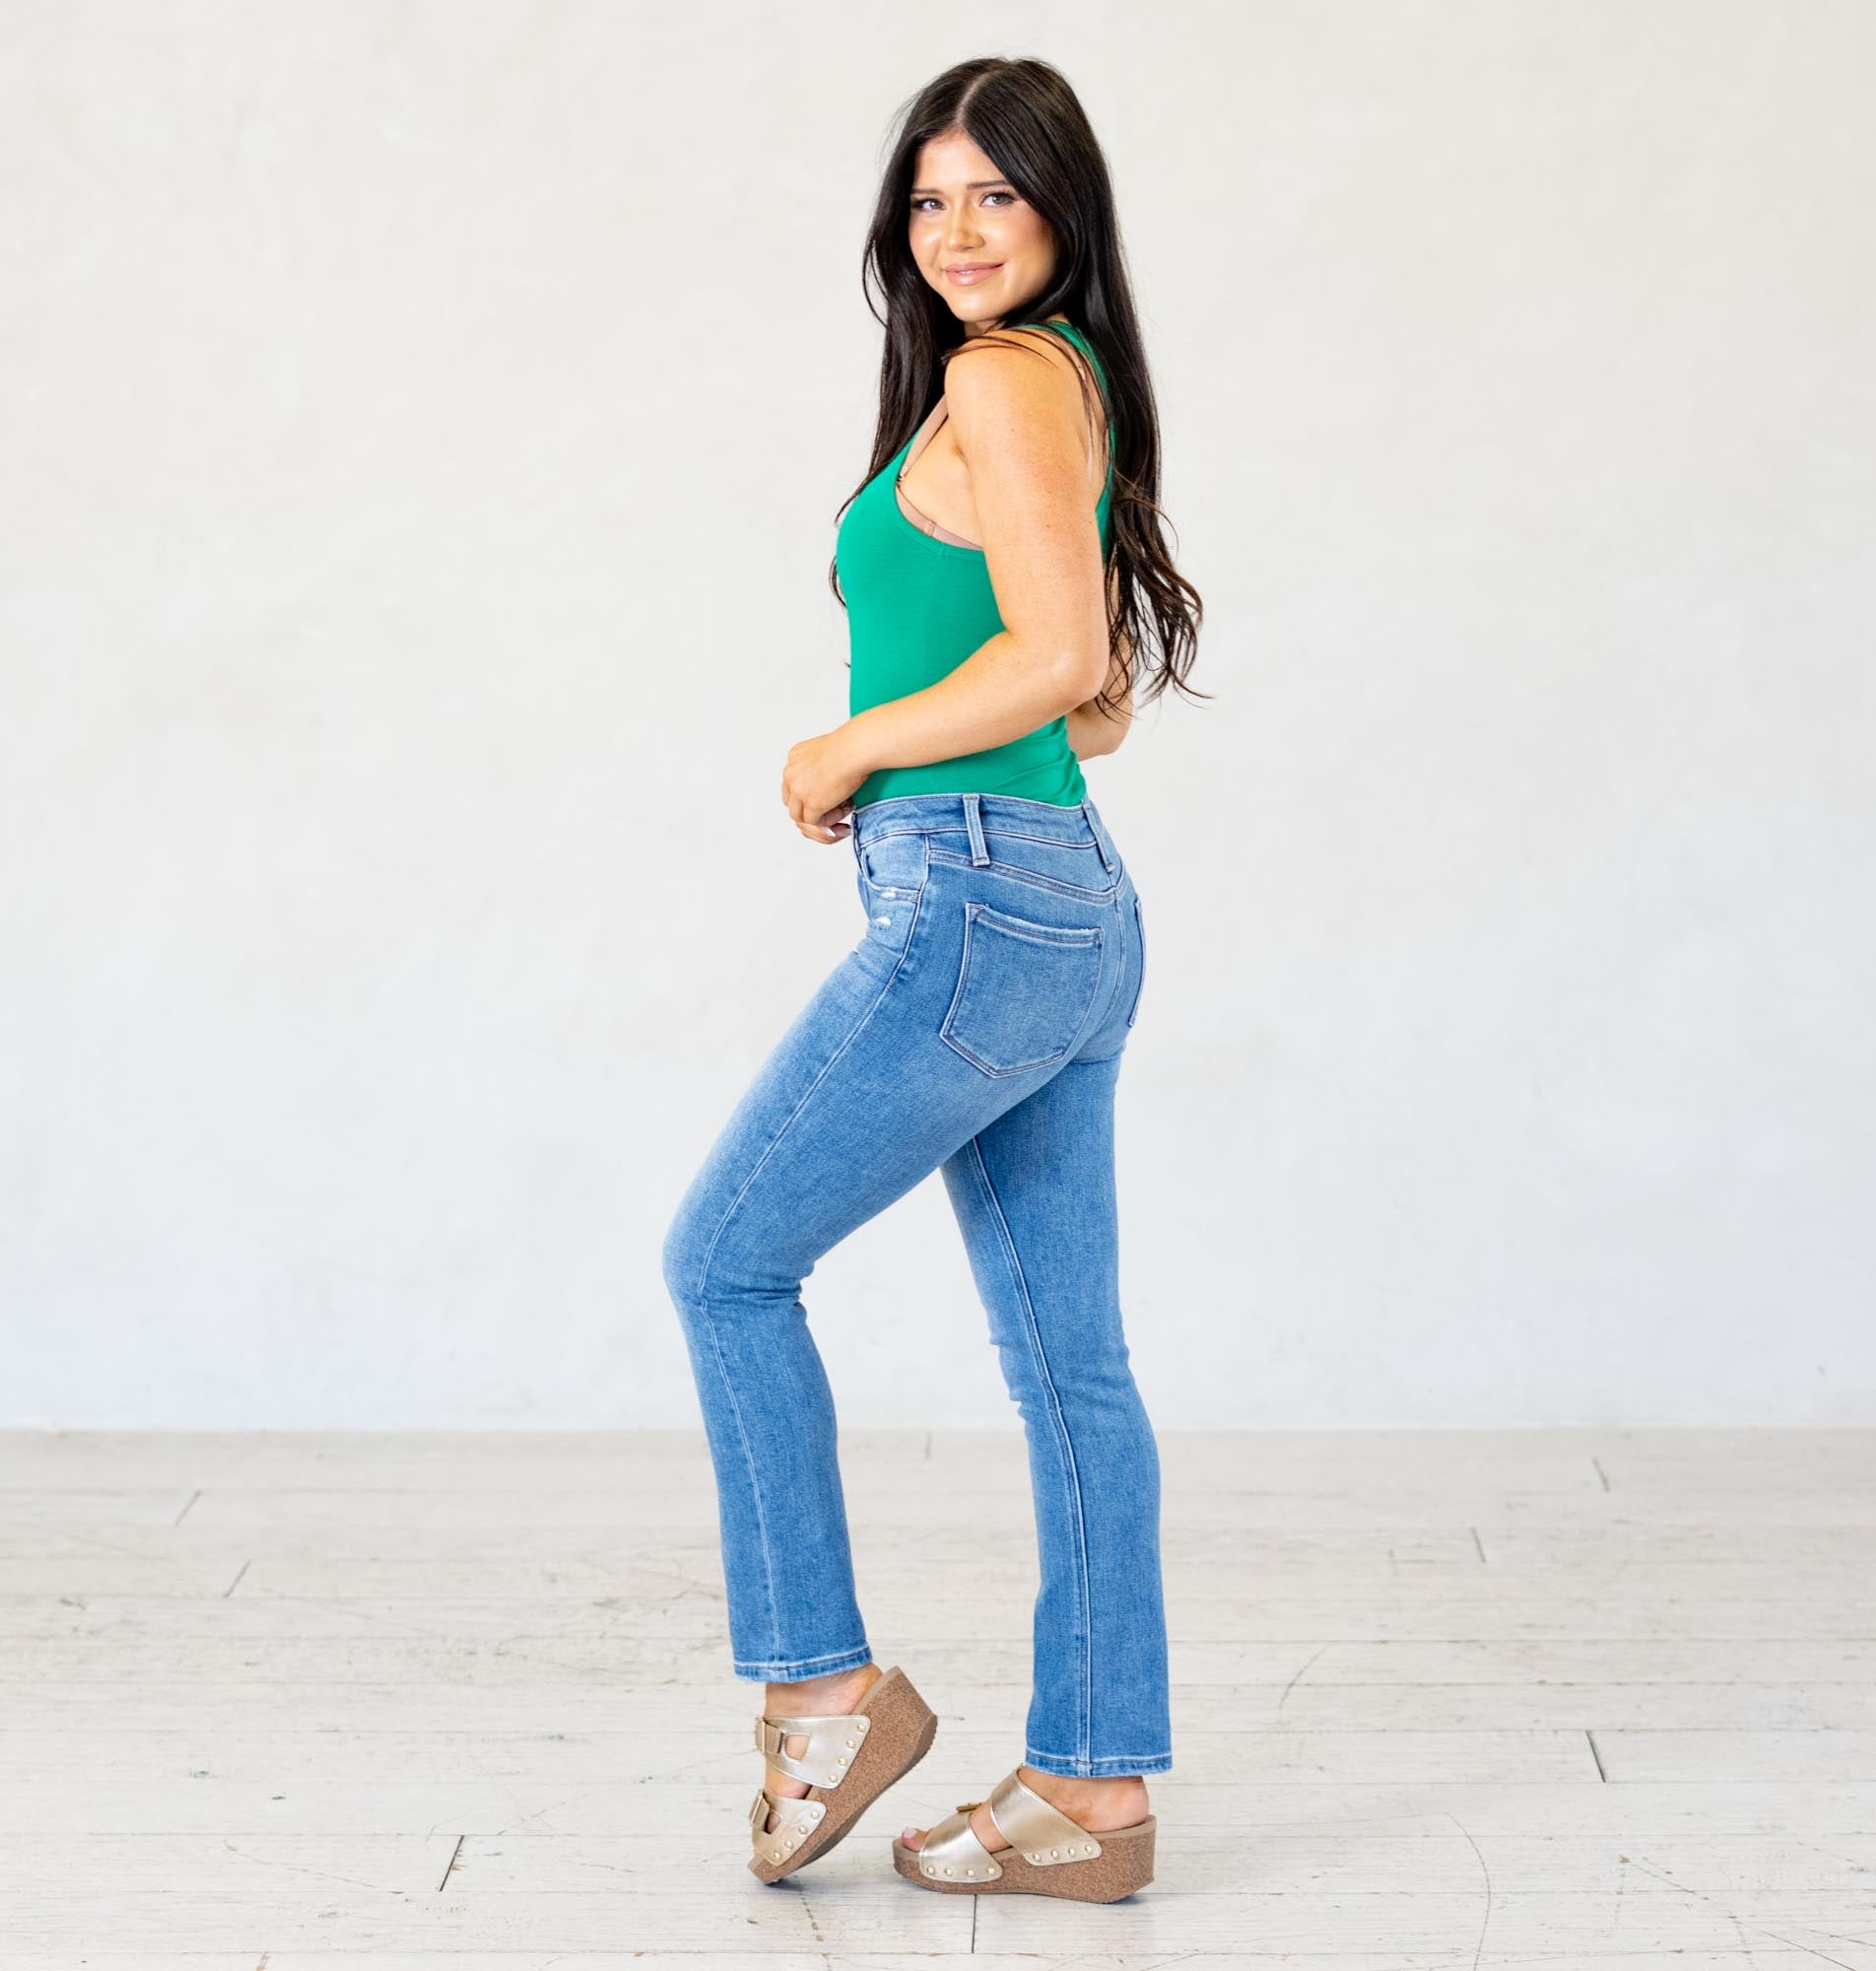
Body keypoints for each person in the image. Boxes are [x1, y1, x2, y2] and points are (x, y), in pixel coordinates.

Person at [661, 54, 1204, 1905]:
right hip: (1058, 902)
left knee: (724, 1262)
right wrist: (930, 747)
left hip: (976, 898)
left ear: (1062, 210)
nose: (958, 230)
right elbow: (1097, 692)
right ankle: (1092, 1795)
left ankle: (821, 1696)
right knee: (1073, 1369)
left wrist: (851, 747)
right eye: (929, 198)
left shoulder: (1006, 376)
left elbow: (1055, 658)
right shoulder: (1063, 381)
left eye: (997, 194)